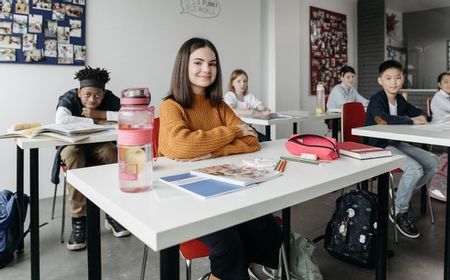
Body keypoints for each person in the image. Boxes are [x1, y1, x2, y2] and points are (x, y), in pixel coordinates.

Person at [159, 37, 282, 280]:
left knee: (267, 227)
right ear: (184, 66)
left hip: (224, 186)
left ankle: (232, 274)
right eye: (198, 62)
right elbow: (181, 145)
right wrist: (233, 132)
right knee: (228, 241)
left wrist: (211, 151)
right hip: (185, 194)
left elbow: (253, 140)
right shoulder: (171, 106)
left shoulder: (220, 106)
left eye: (212, 64)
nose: (207, 69)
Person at [55, 66, 130, 251]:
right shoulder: (68, 98)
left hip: (100, 146)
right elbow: (62, 120)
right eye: (87, 95)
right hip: (73, 146)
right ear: (79, 91)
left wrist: (100, 114)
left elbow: (129, 116)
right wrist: (98, 122)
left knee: (113, 152)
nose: (92, 99)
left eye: (97, 95)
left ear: (103, 94)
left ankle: (113, 215)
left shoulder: (110, 98)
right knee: (73, 156)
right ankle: (79, 219)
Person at [365, 60, 439, 239]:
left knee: (433, 162)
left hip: (395, 143)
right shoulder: (377, 100)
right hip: (378, 145)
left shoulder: (399, 100)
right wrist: (412, 120)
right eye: (388, 78)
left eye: (397, 78)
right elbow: (382, 120)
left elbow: (417, 111)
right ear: (380, 80)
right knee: (415, 169)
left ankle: (400, 193)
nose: (393, 82)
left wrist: (424, 116)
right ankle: (399, 211)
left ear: (403, 79)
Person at [224, 69, 270, 142]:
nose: (242, 84)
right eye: (238, 81)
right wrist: (250, 112)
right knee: (260, 143)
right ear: (232, 83)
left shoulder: (249, 96)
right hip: (236, 131)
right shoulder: (229, 95)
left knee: (268, 141)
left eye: (245, 81)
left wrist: (265, 109)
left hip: (248, 129)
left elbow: (259, 105)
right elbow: (231, 111)